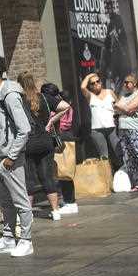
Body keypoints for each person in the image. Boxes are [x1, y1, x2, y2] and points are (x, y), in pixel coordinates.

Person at [0, 56, 34, 258]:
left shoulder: (9, 94)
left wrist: (11, 156)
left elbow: (24, 129)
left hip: (11, 157)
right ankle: (9, 238)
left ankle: (26, 240)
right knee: (6, 201)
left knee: (20, 200)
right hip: (1, 156)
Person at [17, 72, 71, 221]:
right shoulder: (45, 98)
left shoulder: (20, 100)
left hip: (28, 143)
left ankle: (28, 215)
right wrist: (51, 121)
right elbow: (65, 106)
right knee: (47, 177)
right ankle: (55, 211)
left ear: (20, 85)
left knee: (29, 180)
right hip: (46, 142)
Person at [42, 84, 79, 215]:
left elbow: (57, 122)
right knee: (64, 171)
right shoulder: (64, 103)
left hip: (61, 138)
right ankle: (68, 201)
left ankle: (70, 202)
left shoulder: (56, 107)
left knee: (63, 172)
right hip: (67, 137)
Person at [80, 72, 120, 165]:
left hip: (112, 127)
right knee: (104, 156)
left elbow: (118, 106)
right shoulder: (90, 96)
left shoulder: (110, 92)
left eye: (97, 81)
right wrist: (90, 75)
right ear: (90, 86)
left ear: (101, 82)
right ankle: (107, 177)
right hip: (97, 130)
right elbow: (82, 87)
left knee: (118, 152)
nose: (96, 84)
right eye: (92, 83)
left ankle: (124, 174)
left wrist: (117, 116)